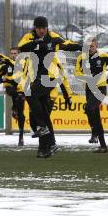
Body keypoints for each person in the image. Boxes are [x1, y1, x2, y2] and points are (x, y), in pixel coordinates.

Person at [18, 16, 81, 158]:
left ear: (47, 28)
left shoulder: (53, 38)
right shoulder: (29, 37)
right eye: (39, 28)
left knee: (31, 97)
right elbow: (22, 47)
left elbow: (67, 44)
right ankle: (50, 144)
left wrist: (82, 46)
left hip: (50, 77)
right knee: (43, 114)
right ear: (35, 28)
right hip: (38, 79)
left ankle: (42, 130)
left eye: (44, 28)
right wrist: (38, 43)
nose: (41, 30)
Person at [75, 37, 108, 153]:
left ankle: (94, 132)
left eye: (92, 46)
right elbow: (77, 72)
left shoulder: (103, 56)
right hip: (89, 88)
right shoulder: (81, 58)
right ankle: (103, 146)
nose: (89, 49)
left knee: (88, 108)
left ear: (96, 46)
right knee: (95, 115)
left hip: (100, 89)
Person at [0, 47, 26, 146]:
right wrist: (3, 80)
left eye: (15, 53)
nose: (13, 55)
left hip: (21, 89)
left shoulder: (23, 64)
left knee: (21, 114)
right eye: (12, 53)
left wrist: (8, 79)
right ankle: (14, 107)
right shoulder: (6, 66)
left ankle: (21, 136)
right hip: (11, 89)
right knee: (14, 93)